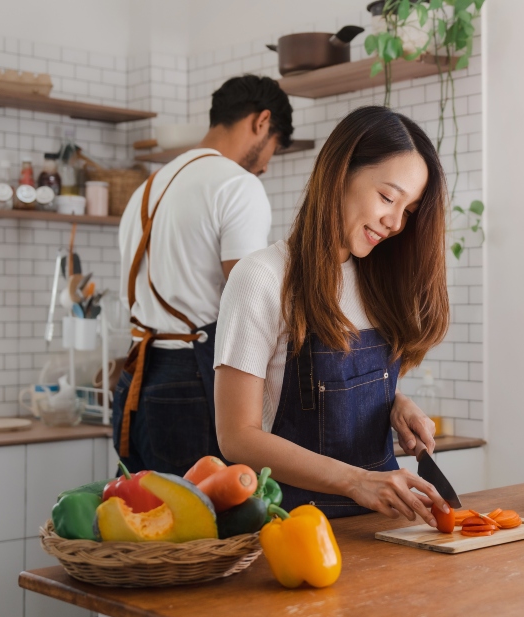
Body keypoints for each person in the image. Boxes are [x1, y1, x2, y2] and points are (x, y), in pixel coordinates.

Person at [213, 106, 452, 526]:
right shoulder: (262, 278)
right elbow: (237, 436)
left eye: (408, 211)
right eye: (387, 197)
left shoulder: (377, 278)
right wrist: (356, 481)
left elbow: (338, 391)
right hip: (296, 531)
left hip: (383, 527)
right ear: (340, 173)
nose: (395, 222)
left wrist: (396, 403)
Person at [112, 74, 293, 475]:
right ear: (262, 122)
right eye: (274, 150)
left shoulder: (148, 187)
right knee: (200, 530)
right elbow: (252, 297)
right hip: (189, 382)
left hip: (135, 381)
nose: (265, 166)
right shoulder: (237, 185)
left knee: (141, 523)